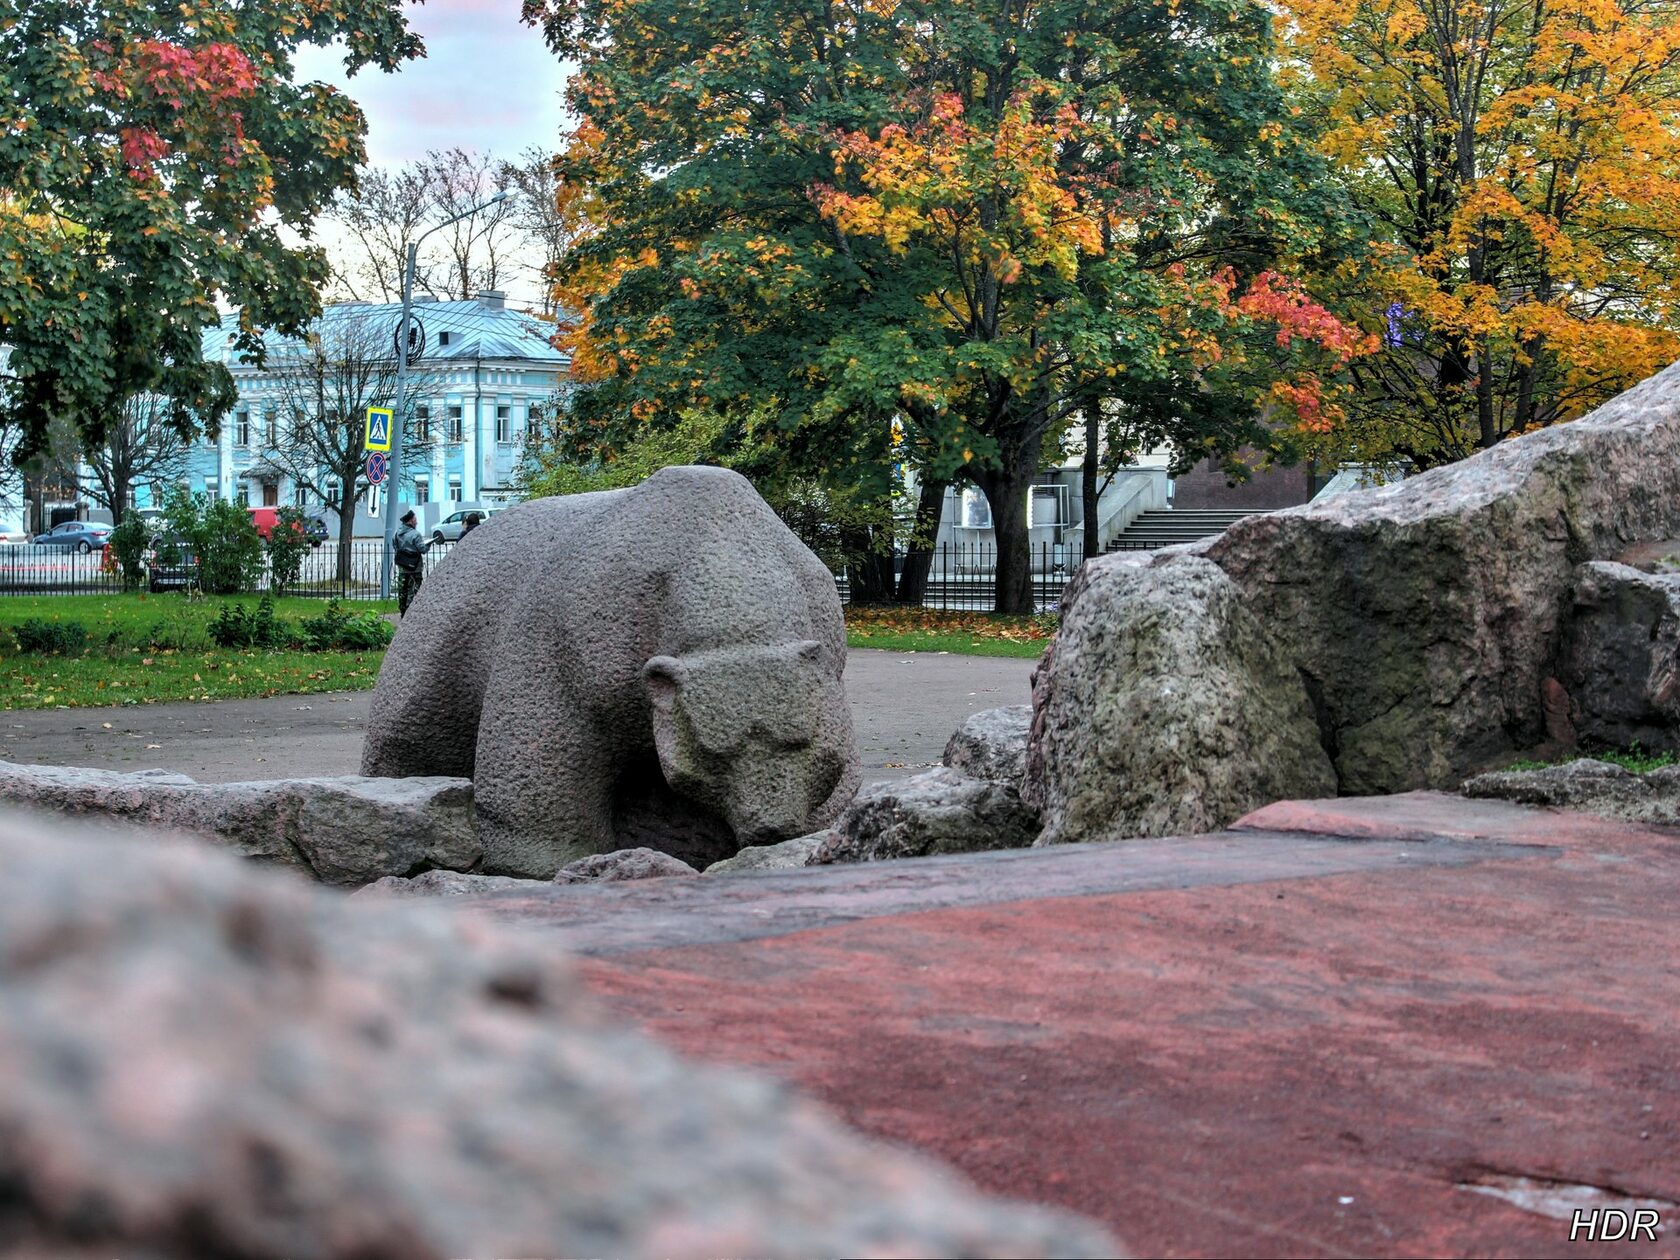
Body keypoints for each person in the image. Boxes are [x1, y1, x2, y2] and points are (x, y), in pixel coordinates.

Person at [393, 509, 433, 616]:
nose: (417, 522)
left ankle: (403, 612)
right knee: (414, 591)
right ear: (410, 521)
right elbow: (423, 550)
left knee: (402, 591)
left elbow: (395, 546)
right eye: (415, 520)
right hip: (414, 568)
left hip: (402, 567)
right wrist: (429, 544)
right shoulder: (415, 534)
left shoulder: (397, 533)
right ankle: (411, 615)